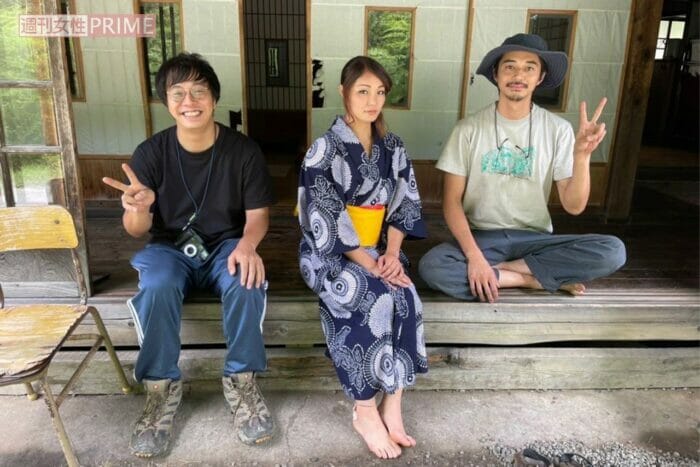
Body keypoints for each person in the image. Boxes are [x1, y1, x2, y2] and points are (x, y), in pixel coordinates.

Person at [102, 53, 276, 457]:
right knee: (158, 283)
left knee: (245, 276)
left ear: (214, 98)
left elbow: (259, 215)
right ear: (167, 101)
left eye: (199, 91)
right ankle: (160, 389)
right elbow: (136, 232)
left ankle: (242, 382)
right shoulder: (151, 153)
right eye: (177, 92)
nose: (189, 101)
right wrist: (139, 208)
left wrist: (249, 245)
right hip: (167, 248)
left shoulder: (243, 151)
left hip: (227, 244)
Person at [419, 33, 626, 303]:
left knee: (614, 250)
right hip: (483, 238)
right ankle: (533, 280)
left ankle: (502, 274)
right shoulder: (467, 129)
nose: (519, 75)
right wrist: (475, 257)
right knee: (432, 267)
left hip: (536, 241)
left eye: (530, 67)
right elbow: (451, 202)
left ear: (540, 77)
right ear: (496, 74)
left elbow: (574, 206)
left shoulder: (558, 129)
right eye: (510, 66)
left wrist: (582, 157)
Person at [297, 56, 428, 459]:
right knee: (373, 296)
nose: (373, 100)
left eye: (380, 92)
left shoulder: (393, 146)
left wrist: (390, 254)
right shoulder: (324, 149)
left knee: (406, 296)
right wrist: (368, 263)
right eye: (363, 91)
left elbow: (404, 205)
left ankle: (394, 402)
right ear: (344, 93)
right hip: (330, 253)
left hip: (379, 249)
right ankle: (365, 409)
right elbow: (322, 214)